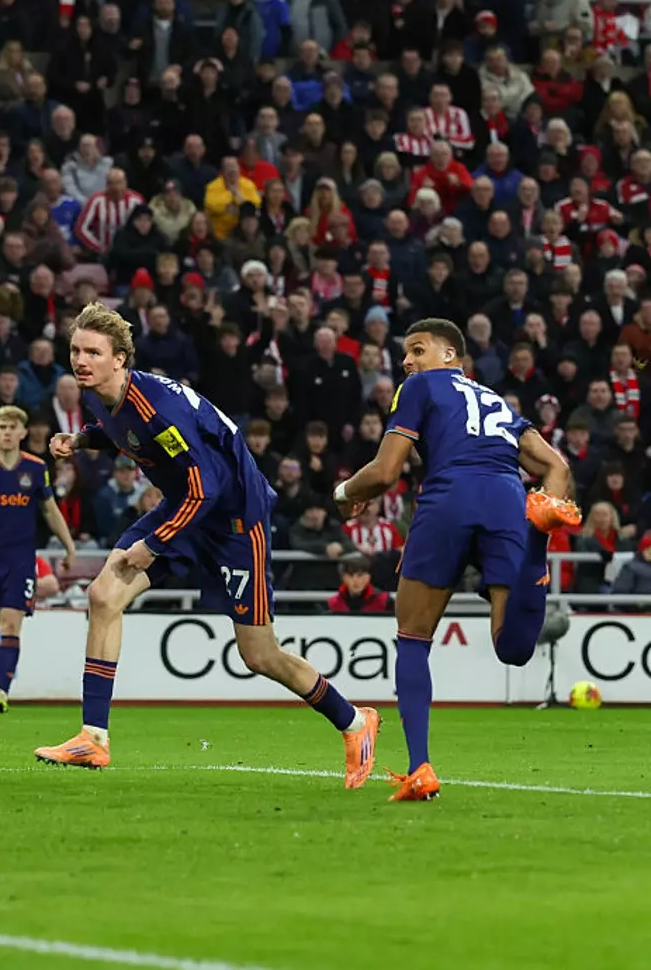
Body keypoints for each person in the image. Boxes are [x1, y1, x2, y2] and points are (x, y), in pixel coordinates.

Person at [33, 303, 380, 786]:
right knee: (102, 595)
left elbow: (207, 486)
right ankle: (93, 737)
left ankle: (356, 722)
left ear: (121, 359)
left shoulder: (157, 406)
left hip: (235, 519)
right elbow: (126, 432)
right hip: (187, 505)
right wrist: (83, 440)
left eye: (93, 351)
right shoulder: (104, 395)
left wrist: (153, 544)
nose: (81, 360)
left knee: (259, 655)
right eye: (76, 350)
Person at [333, 318, 580, 802]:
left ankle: (419, 767)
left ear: (451, 357)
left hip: (448, 498)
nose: (407, 361)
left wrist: (344, 493)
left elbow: (385, 473)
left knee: (412, 638)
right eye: (405, 354)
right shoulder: (498, 403)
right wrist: (546, 500)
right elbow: (558, 466)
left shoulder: (420, 387)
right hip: (508, 499)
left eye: (418, 350)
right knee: (512, 649)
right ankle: (537, 539)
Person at [0, 406, 77, 712]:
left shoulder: (36, 467)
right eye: (1, 426)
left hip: (20, 560)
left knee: (11, 623)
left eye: (11, 427)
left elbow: (49, 508)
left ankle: (2, 691)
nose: (6, 431)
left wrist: (69, 547)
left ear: (22, 433)